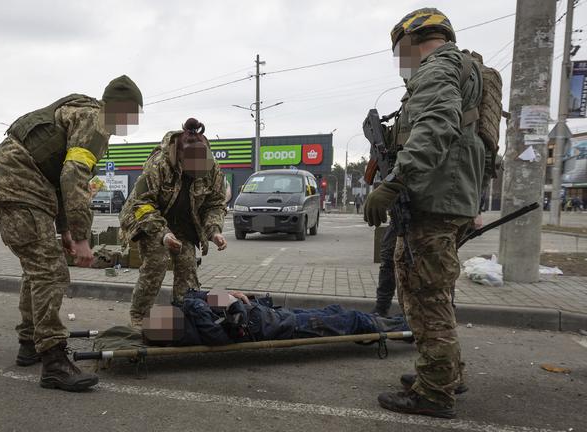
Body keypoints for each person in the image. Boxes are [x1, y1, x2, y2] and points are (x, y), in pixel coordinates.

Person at [0, 75, 143, 391]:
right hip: (20, 187)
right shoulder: (96, 121)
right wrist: (82, 238)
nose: (128, 123)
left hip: (18, 185)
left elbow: (56, 174)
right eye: (130, 115)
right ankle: (54, 361)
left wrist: (65, 229)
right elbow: (73, 177)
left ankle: (30, 344)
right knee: (51, 272)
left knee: (37, 270)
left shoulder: (82, 112)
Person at [365, 8, 486, 419]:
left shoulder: (437, 69)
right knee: (432, 291)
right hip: (449, 198)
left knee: (425, 295)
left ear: (412, 41)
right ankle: (446, 372)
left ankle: (434, 392)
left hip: (433, 201)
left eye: (399, 51)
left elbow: (433, 129)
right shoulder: (463, 70)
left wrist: (392, 185)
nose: (401, 61)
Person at [120, 118, 228, 329]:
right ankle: (140, 315)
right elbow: (143, 204)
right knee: (157, 261)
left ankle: (187, 312)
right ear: (180, 156)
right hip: (148, 218)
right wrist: (163, 234)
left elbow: (215, 203)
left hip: (184, 223)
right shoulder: (158, 164)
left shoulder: (212, 168)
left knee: (187, 265)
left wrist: (214, 231)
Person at [140, 289, 410, 347]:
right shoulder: (199, 329)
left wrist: (228, 298)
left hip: (270, 315)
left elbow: (194, 294)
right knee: (346, 321)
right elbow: (229, 332)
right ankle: (405, 329)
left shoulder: (188, 312)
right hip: (278, 326)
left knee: (335, 312)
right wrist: (231, 304)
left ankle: (397, 323)